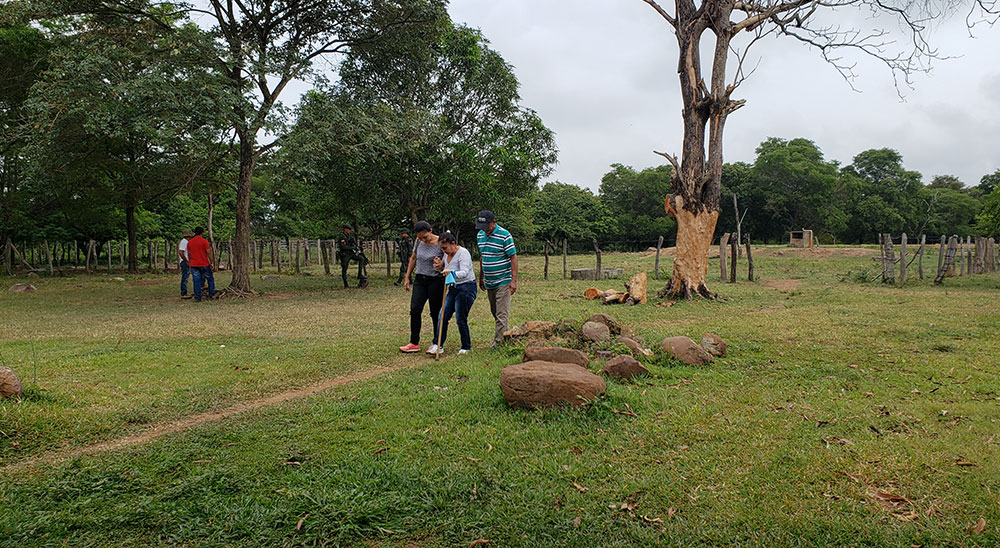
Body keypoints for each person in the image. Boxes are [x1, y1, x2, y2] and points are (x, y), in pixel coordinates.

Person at [399, 221, 445, 354]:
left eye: (425, 237)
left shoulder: (440, 242)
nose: (423, 239)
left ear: (430, 230)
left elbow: (448, 259)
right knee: (415, 309)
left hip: (435, 280)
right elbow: (413, 258)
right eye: (420, 237)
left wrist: (441, 264)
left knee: (435, 312)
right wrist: (407, 277)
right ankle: (414, 343)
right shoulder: (418, 242)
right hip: (420, 279)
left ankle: (437, 342)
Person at [476, 210, 518, 348]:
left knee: (501, 313)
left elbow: (513, 257)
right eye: (482, 227)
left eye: (487, 226)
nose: (485, 230)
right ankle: (507, 334)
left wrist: (513, 280)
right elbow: (483, 256)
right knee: (495, 311)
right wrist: (481, 276)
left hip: (503, 280)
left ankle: (499, 343)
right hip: (489, 281)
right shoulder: (480, 235)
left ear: (494, 222)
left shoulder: (505, 235)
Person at [434, 232, 477, 354]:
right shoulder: (446, 254)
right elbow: (445, 267)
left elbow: (464, 272)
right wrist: (439, 266)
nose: (444, 251)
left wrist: (451, 272)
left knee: (460, 318)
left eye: (445, 248)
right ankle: (438, 345)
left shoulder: (463, 253)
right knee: (442, 316)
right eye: (441, 248)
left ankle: (466, 346)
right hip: (453, 288)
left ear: (453, 243)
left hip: (466, 288)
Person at [187, 226, 217, 301]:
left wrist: (190, 262)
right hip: (204, 263)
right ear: (202, 232)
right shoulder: (204, 241)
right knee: (210, 278)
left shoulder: (190, 242)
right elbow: (208, 252)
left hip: (194, 264)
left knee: (196, 281)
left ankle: (197, 297)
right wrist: (212, 262)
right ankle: (212, 294)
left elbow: (189, 254)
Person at [178, 229, 194, 299]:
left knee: (186, 277)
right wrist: (186, 261)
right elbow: (181, 252)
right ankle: (183, 293)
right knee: (185, 278)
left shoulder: (185, 242)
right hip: (184, 262)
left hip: (185, 261)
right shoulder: (184, 242)